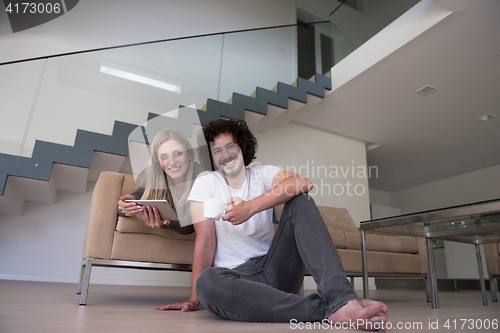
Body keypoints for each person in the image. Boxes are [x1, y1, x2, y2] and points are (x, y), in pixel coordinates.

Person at [156, 119, 388, 331]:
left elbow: (303, 182)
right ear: (211, 156)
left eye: (231, 147)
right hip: (239, 280)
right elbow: (205, 240)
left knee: (300, 198)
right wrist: (194, 299)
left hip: (276, 269)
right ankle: (335, 308)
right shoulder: (207, 183)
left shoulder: (261, 174)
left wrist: (250, 207)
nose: (225, 155)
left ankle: (341, 297)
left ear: (242, 148)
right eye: (217, 150)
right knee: (208, 282)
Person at [117, 129, 204, 234]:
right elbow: (122, 208)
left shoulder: (202, 176)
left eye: (178, 153)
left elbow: (191, 225)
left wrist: (165, 223)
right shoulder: (157, 176)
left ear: (189, 154)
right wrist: (126, 205)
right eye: (164, 157)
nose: (172, 162)